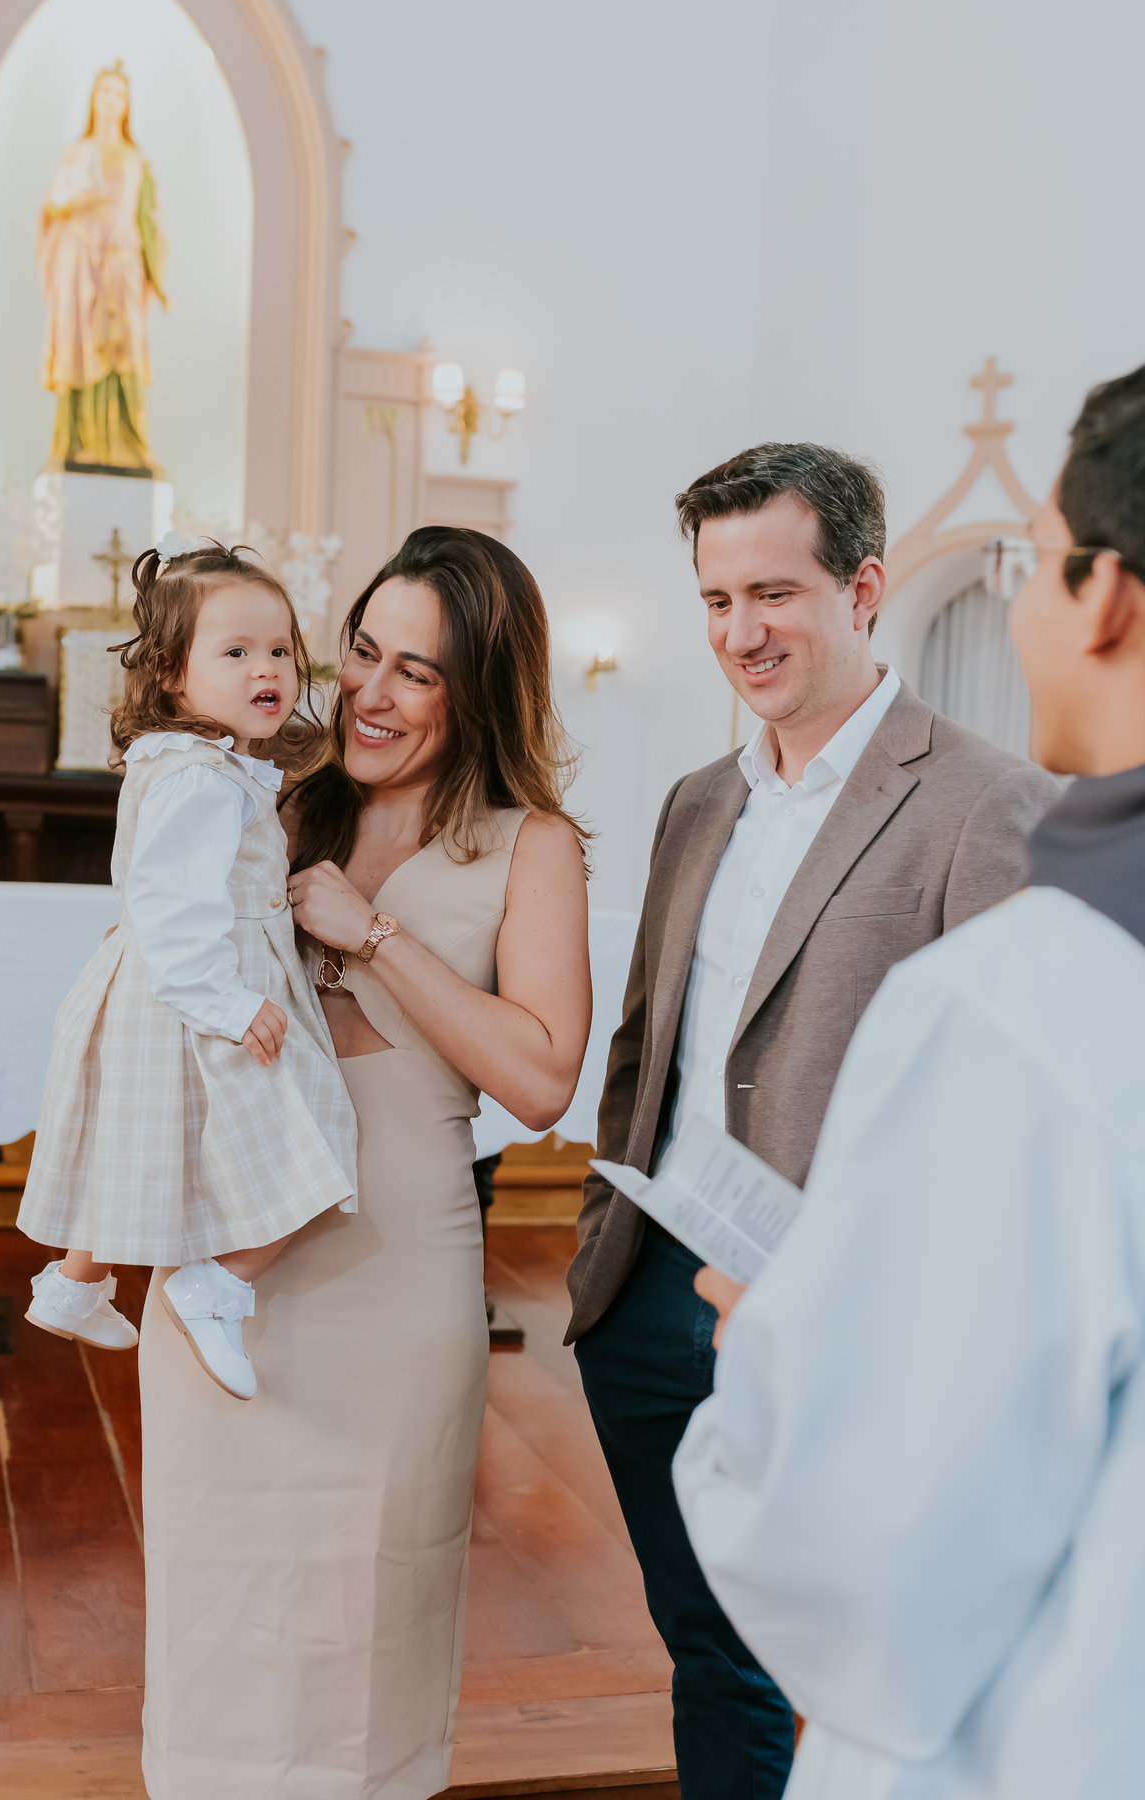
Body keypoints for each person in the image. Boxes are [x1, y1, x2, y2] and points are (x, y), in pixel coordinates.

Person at [673, 365, 1145, 1798]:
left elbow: (865, 1568)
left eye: (1037, 566)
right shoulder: (700, 798)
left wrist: (788, 1344)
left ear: (1107, 596)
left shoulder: (1036, 1008)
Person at [566, 444, 1059, 1799]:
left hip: (841, 1312)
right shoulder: (693, 804)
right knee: (708, 1650)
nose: (742, 633)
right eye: (718, 600)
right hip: (656, 1298)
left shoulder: (983, 800)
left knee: (837, 1664)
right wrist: (605, 1251)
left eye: (773, 593)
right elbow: (643, 1051)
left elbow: (1015, 1102)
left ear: (865, 588)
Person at [137, 525, 592, 1800]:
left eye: (419, 674)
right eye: (364, 654)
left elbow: (544, 1079)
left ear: (484, 688)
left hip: (396, 1283)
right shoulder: (270, 801)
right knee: (216, 1602)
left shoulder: (528, 844)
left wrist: (370, 931)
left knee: (366, 1615)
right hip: (234, 1264)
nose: (372, 696)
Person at [18, 536, 356, 1401]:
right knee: (318, 1135)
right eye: (235, 652)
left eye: (279, 649)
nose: (265, 669)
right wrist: (232, 1005)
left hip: (166, 990)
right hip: (197, 991)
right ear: (172, 674)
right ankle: (218, 1282)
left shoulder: (195, 765)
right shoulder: (200, 780)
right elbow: (169, 907)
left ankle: (74, 1283)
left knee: (141, 1148)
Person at [38, 61, 166, 472]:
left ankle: (126, 443)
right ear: (93, 100)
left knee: (123, 347)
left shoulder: (137, 160)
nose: (111, 101)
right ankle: (78, 442)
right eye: (104, 92)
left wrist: (157, 271)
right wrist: (78, 203)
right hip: (80, 261)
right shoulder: (76, 155)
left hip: (122, 261)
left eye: (119, 94)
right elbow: (53, 205)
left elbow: (150, 217)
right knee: (81, 346)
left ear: (127, 105)